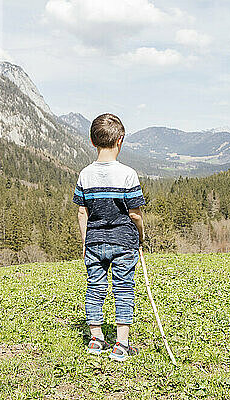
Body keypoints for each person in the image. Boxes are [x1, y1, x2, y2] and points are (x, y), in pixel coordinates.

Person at [72, 113, 145, 362]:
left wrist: (85, 241)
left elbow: (83, 211)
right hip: (124, 241)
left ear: (92, 141)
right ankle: (121, 345)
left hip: (94, 241)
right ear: (120, 140)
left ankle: (96, 340)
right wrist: (141, 235)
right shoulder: (128, 174)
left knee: (95, 288)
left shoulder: (85, 174)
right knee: (124, 289)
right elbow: (135, 214)